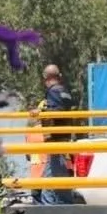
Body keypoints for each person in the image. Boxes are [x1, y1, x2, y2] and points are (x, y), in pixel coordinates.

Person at [35, 63, 77, 206]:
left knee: (53, 171)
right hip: (64, 135)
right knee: (57, 169)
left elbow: (55, 111)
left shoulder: (53, 91)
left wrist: (40, 113)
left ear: (46, 78)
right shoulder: (65, 91)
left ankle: (50, 204)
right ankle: (65, 201)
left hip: (55, 136)